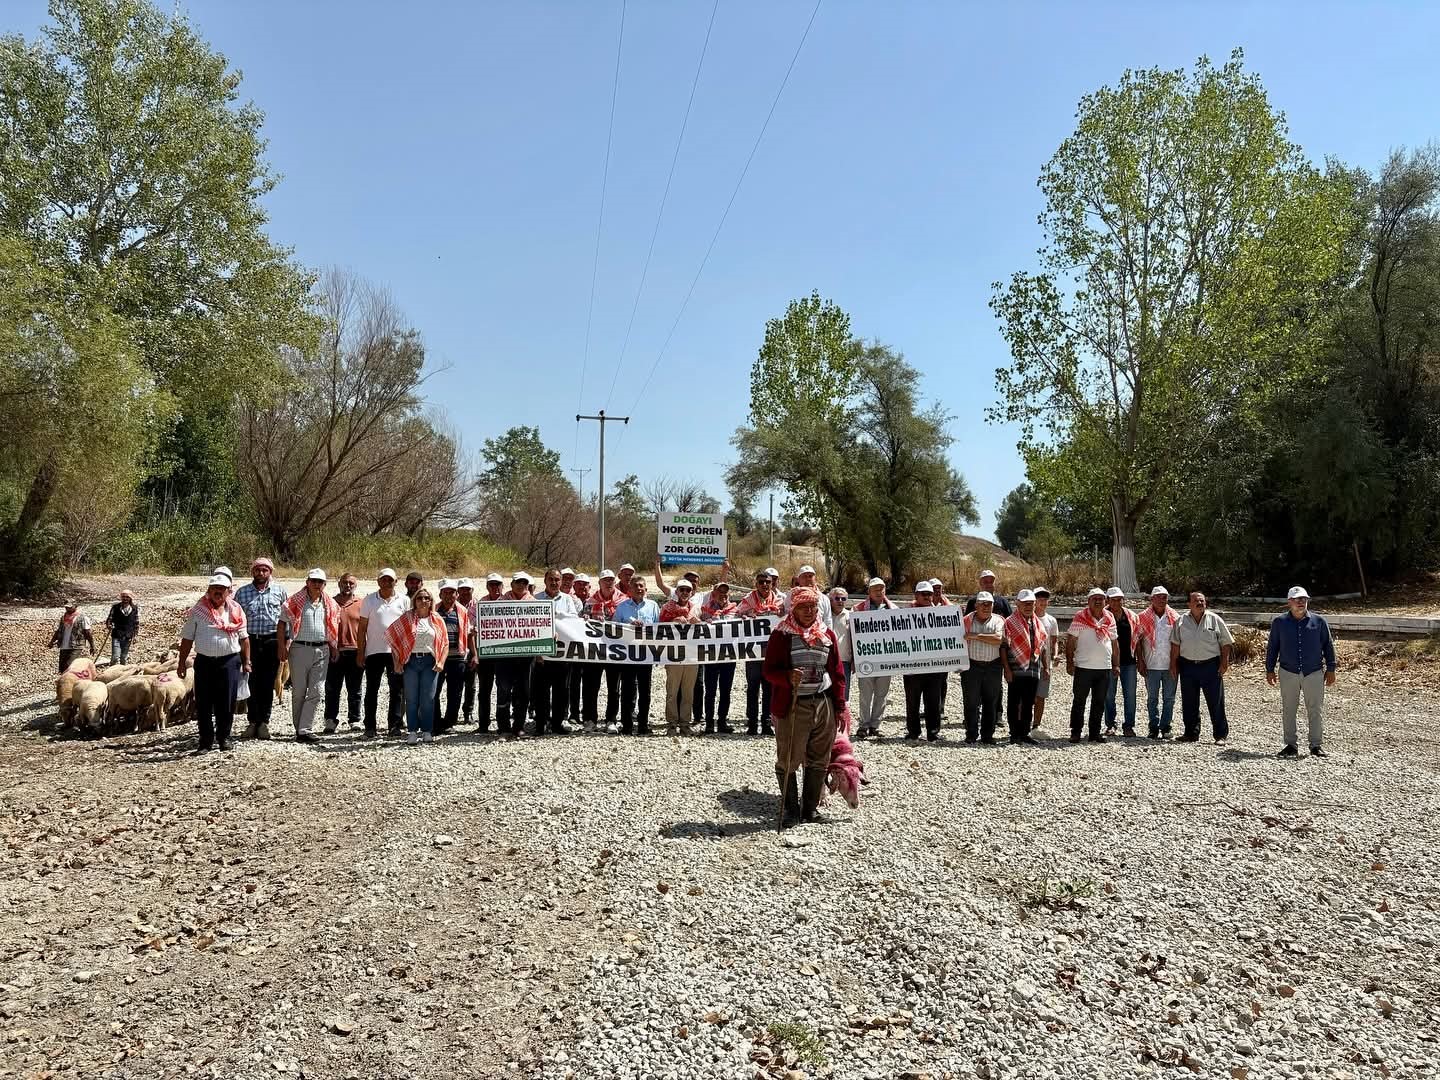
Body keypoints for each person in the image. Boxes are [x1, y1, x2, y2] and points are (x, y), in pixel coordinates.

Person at [763, 585, 846, 828]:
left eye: (813, 607)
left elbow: (837, 672)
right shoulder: (782, 635)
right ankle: (790, 810)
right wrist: (787, 676)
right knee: (789, 757)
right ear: (793, 609)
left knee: (819, 757)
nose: (809, 611)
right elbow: (769, 671)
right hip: (793, 704)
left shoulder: (826, 635)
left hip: (823, 702)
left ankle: (809, 810)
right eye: (803, 607)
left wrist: (840, 706)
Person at [177, 572, 251, 752]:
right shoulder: (198, 611)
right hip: (205, 662)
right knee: (203, 702)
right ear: (209, 590)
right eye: (215, 588)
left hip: (229, 661)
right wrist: (181, 663)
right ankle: (205, 741)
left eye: (222, 589)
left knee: (227, 701)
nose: (218, 591)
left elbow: (244, 638)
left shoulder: (236, 610)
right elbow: (187, 638)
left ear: (228, 591)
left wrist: (247, 661)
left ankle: (224, 737)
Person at [1266, 586, 1338, 758]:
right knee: (1289, 709)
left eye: (1304, 599)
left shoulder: (1319, 621)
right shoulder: (1279, 622)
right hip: (1288, 671)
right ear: (1289, 602)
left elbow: (1328, 645)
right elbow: (1273, 647)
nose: (1301, 602)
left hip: (1313, 671)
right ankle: (1290, 745)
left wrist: (1331, 668)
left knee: (1315, 709)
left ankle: (1315, 745)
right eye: (1297, 599)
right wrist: (1269, 669)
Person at [278, 568, 339, 745]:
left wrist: (334, 647)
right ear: (307, 582)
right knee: (298, 691)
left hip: (322, 649)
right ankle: (299, 729)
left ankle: (305, 729)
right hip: (299, 648)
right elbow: (281, 623)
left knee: (317, 691)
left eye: (320, 582)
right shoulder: (294, 602)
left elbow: (333, 627)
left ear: (324, 584)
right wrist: (281, 646)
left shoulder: (330, 604)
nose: (316, 584)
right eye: (314, 581)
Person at [234, 557, 287, 740]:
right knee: (251, 681)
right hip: (250, 642)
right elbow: (235, 619)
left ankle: (264, 722)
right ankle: (252, 722)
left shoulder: (279, 591)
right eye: (257, 570)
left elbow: (286, 619)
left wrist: (285, 643)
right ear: (253, 572)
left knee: (268, 682)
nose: (261, 573)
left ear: (270, 572)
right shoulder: (242, 593)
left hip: (272, 641)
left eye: (265, 570)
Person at [1170, 591, 1233, 745]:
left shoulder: (1214, 619)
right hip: (1187, 666)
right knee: (1189, 702)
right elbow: (1175, 644)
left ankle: (1220, 735)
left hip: (1210, 666)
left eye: (1202, 601)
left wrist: (1224, 662)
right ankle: (1191, 733)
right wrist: (1173, 664)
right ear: (1189, 604)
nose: (1200, 603)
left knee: (1216, 702)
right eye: (1196, 601)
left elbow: (1226, 642)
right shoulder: (1180, 621)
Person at [386, 587, 446, 745]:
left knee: (428, 698)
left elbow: (445, 643)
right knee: (411, 698)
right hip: (411, 661)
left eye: (427, 598)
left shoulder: (437, 619)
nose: (423, 601)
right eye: (419, 598)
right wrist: (397, 662)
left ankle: (427, 730)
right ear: (415, 601)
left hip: (430, 661)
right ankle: (412, 731)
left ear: (431, 601)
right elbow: (393, 637)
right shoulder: (407, 617)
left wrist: (441, 662)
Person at [357, 569, 409, 739]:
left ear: (396, 581)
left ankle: (394, 725)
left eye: (390, 580)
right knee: (372, 690)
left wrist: (406, 652)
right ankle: (370, 727)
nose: (387, 582)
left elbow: (408, 628)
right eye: (383, 579)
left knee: (396, 690)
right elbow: (362, 628)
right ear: (378, 581)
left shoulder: (404, 600)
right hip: (374, 651)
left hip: (396, 652)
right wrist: (360, 652)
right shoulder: (369, 600)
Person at [1066, 588, 1118, 743]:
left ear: (1105, 601)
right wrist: (1070, 662)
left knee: (1099, 701)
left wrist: (1116, 664)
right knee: (1079, 701)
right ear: (1088, 601)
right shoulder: (1080, 616)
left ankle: (1094, 732)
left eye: (1101, 598)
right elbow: (1071, 641)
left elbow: (1114, 642)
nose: (1098, 601)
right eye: (1094, 598)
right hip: (1084, 666)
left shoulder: (1109, 617)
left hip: (1104, 667)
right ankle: (1076, 732)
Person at [736, 567, 784, 736]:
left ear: (772, 584)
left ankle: (766, 723)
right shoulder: (748, 599)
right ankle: (752, 723)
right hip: (753, 653)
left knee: (769, 689)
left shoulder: (779, 600)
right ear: (756, 584)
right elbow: (736, 615)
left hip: (771, 653)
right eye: (761, 582)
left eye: (767, 582)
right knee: (753, 688)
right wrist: (744, 615)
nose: (764, 585)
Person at [534, 568, 581, 736]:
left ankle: (557, 723)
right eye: (551, 579)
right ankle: (541, 723)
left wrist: (557, 614)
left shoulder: (568, 600)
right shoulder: (536, 599)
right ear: (545, 581)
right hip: (542, 654)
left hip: (563, 653)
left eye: (557, 580)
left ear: (561, 582)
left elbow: (573, 622)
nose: (554, 583)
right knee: (541, 692)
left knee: (561, 691)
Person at [613, 574, 659, 734]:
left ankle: (643, 725)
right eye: (635, 586)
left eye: (641, 586)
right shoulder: (621, 607)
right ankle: (626, 725)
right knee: (627, 691)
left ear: (646, 589)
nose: (639, 589)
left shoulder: (653, 606)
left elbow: (658, 629)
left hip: (646, 654)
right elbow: (614, 629)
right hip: (627, 655)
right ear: (629, 589)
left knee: (645, 692)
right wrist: (628, 626)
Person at [581, 570, 624, 733]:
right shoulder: (590, 601)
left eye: (611, 580)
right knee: (591, 686)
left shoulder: (623, 600)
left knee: (614, 688)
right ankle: (590, 719)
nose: (609, 582)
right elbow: (582, 623)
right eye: (605, 580)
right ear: (599, 583)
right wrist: (586, 620)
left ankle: (611, 720)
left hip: (615, 650)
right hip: (595, 650)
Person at [1000, 589, 1045, 745]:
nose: (1028, 606)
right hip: (1016, 669)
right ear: (1017, 604)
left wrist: (1045, 667)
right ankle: (1014, 733)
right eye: (1025, 603)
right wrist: (1006, 669)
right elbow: (1003, 647)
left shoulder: (1037, 623)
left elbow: (1042, 646)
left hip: (1033, 669)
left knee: (1028, 702)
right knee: (1014, 702)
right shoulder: (1009, 622)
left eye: (1031, 603)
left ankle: (1024, 733)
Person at [852, 577, 895, 737]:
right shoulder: (857, 610)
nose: (879, 592)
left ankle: (875, 725)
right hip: (866, 659)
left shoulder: (894, 609)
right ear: (869, 591)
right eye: (875, 589)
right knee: (865, 694)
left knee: (881, 694)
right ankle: (863, 725)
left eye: (881, 589)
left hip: (886, 659)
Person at [1135, 586, 1180, 739]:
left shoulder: (1175, 617)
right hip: (1151, 664)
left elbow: (1178, 642)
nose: (1162, 600)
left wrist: (1176, 663)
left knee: (1169, 698)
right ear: (1152, 599)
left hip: (1170, 665)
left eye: (1164, 597)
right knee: (1152, 699)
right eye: (1158, 597)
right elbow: (1138, 641)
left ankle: (1166, 727)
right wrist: (1140, 661)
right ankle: (1153, 727)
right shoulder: (1142, 617)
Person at [903, 582, 946, 741]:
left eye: (930, 594)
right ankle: (913, 732)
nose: (927, 597)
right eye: (923, 594)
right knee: (912, 702)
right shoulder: (905, 614)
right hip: (912, 666)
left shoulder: (942, 614)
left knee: (933, 701)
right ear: (916, 595)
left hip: (934, 666)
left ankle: (933, 732)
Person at [961, 592, 1005, 744]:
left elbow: (998, 639)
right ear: (976, 605)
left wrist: (975, 635)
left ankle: (987, 735)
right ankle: (971, 734)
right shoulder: (965, 620)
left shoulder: (999, 620)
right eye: (983, 604)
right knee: (971, 702)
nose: (986, 607)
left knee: (991, 702)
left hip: (993, 665)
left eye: (989, 604)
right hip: (971, 665)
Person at [432, 580, 475, 736]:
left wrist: (475, 654)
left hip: (458, 657)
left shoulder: (463, 611)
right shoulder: (433, 610)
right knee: (434, 691)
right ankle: (435, 722)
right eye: (446, 592)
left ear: (457, 595)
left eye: (452, 592)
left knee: (455, 692)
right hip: (437, 656)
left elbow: (469, 635)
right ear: (440, 594)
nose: (449, 595)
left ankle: (449, 722)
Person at [658, 580, 701, 736]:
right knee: (672, 691)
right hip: (673, 655)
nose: (684, 592)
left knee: (688, 692)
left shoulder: (696, 609)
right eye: (681, 589)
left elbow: (705, 630)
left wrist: (699, 623)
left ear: (691, 592)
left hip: (691, 655)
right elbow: (658, 629)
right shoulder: (667, 608)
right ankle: (671, 723)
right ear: (676, 592)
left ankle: (685, 723)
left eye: (687, 590)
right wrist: (672, 622)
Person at [323, 573, 364, 733]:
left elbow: (365, 629)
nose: (348, 585)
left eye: (351, 583)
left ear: (355, 585)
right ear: (339, 584)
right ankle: (330, 720)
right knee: (332, 688)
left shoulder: (361, 603)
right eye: (345, 582)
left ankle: (354, 719)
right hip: (335, 651)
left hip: (355, 650)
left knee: (355, 689)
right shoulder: (330, 603)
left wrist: (363, 651)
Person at [496, 572, 535, 736]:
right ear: (512, 584)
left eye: (524, 583)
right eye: (518, 582)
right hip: (504, 655)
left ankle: (519, 726)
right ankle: (503, 726)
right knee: (503, 689)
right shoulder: (500, 602)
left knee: (524, 692)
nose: (521, 585)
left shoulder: (535, 603)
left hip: (525, 656)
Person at [699, 580, 739, 733]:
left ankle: (722, 721)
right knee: (710, 691)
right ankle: (709, 723)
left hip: (729, 655)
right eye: (720, 592)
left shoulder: (736, 610)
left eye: (725, 592)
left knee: (725, 690)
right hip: (711, 655)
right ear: (713, 594)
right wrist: (702, 620)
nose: (723, 595)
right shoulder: (704, 610)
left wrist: (747, 617)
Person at [471, 573, 509, 732]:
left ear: (502, 586)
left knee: (504, 689)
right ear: (487, 586)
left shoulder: (508, 603)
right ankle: (483, 724)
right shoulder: (480, 604)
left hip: (504, 654)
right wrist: (475, 653)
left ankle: (503, 724)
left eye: (497, 584)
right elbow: (472, 629)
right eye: (492, 584)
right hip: (486, 654)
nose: (495, 587)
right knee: (484, 691)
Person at [1103, 587, 1140, 736]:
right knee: (1109, 695)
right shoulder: (1102, 616)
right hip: (1108, 661)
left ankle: (1129, 726)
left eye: (1119, 599)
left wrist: (1140, 660)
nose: (1117, 602)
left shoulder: (1131, 616)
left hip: (1129, 662)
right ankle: (1110, 724)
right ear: (1108, 600)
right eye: (1113, 600)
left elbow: (1137, 639)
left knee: (1130, 695)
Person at [1032, 587, 1062, 731]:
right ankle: (1022, 725)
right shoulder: (1028, 618)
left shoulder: (1051, 620)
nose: (1043, 602)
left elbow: (1054, 641)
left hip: (1045, 663)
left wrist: (1055, 655)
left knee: (1041, 695)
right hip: (1029, 662)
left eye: (1045, 599)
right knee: (1026, 695)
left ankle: (1036, 725)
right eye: (1040, 599)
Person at [568, 574, 592, 724]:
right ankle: (574, 713)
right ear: (574, 586)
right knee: (574, 684)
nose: (582, 586)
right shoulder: (569, 600)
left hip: (591, 651)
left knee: (589, 685)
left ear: (590, 586)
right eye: (579, 584)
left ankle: (588, 714)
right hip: (574, 650)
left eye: (585, 584)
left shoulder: (595, 601)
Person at [49, 601, 95, 673]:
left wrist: (92, 646)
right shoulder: (63, 618)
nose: (67, 609)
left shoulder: (83, 618)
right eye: (66, 607)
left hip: (76, 645)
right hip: (64, 645)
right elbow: (59, 631)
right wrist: (52, 641)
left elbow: (87, 633)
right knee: (62, 668)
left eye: (70, 607)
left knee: (69, 666)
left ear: (75, 606)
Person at [456, 578, 477, 721]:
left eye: (467, 589)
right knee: (456, 683)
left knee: (471, 683)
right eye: (462, 589)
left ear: (472, 590)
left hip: (473, 647)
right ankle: (452, 712)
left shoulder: (479, 605)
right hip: (457, 648)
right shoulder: (453, 605)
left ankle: (468, 712)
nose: (465, 592)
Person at [830, 588, 854, 700]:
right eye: (837, 598)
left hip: (845, 661)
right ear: (831, 600)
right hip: (827, 660)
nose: (840, 601)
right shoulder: (825, 616)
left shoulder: (851, 616)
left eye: (843, 599)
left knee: (843, 694)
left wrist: (854, 660)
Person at [105, 591, 140, 665]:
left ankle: (122, 670)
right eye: (123, 597)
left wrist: (135, 636)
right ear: (121, 598)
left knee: (123, 657)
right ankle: (112, 670)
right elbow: (109, 619)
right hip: (117, 635)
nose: (125, 599)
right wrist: (109, 626)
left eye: (127, 597)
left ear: (130, 598)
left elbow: (136, 623)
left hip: (128, 636)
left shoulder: (134, 608)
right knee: (115, 657)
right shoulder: (115, 607)